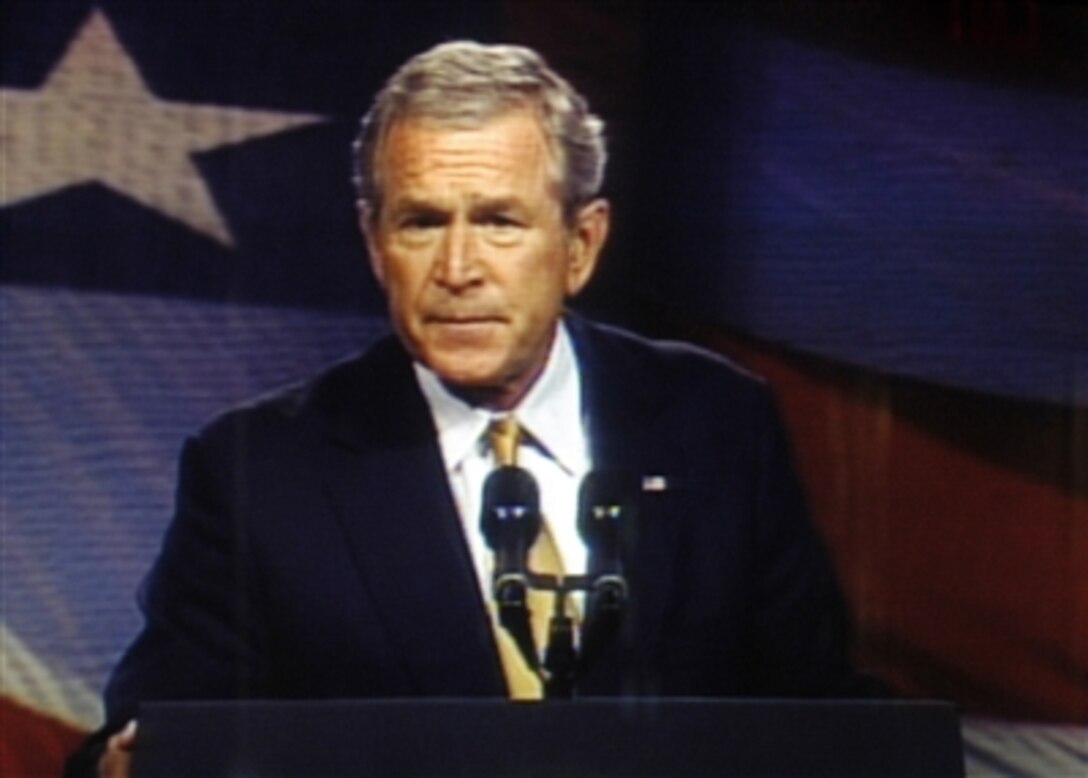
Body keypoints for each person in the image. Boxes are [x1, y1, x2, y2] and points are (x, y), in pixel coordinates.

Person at [68, 40, 877, 777]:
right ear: (373, 242)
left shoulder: (715, 422)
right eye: (422, 222)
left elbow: (815, 716)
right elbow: (147, 734)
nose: (458, 267)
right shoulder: (262, 469)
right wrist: (130, 765)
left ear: (580, 245)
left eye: (498, 221)